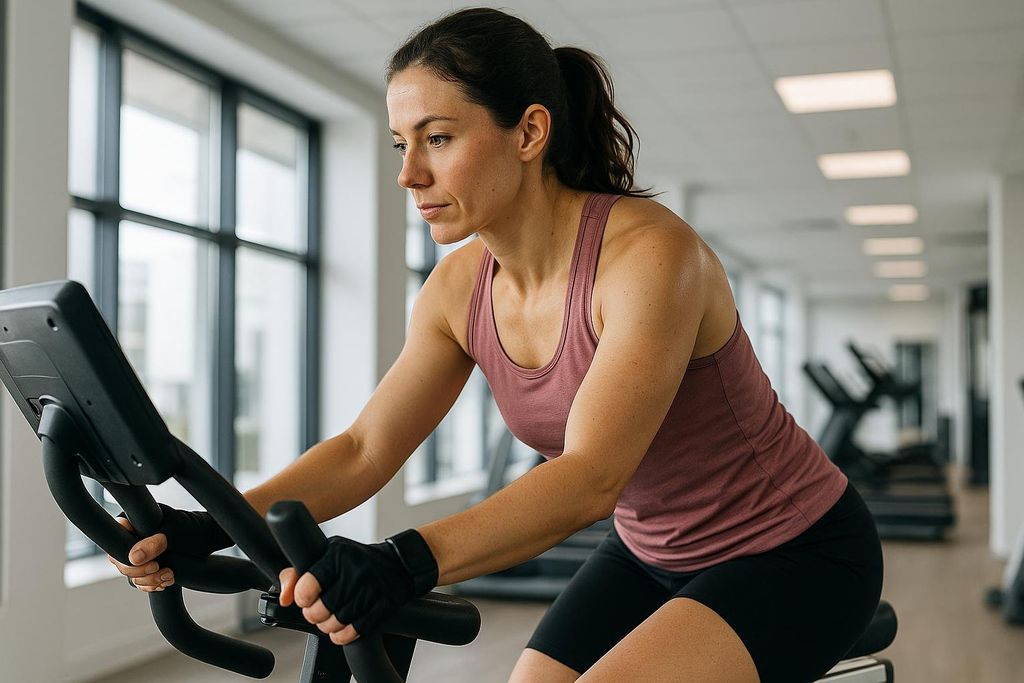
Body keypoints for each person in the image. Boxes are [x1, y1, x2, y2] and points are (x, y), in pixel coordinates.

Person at [110, 7, 883, 682]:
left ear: (530, 132)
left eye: (438, 138)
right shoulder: (458, 288)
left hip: (796, 551)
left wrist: (399, 561)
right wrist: (210, 523)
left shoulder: (650, 257)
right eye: (399, 144)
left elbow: (587, 478)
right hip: (652, 552)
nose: (410, 173)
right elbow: (364, 447)